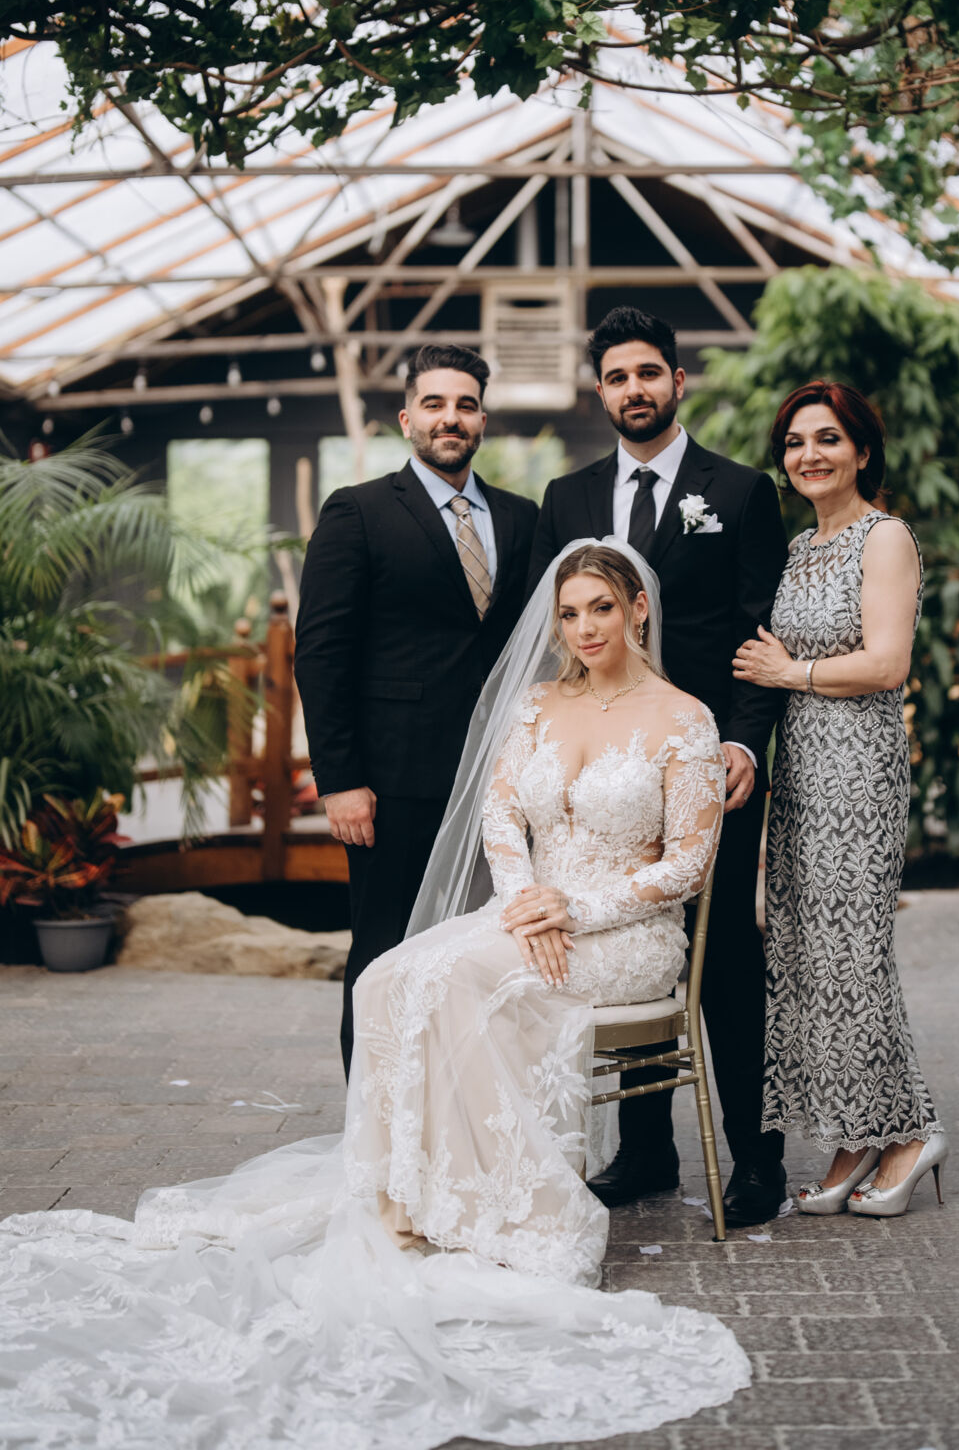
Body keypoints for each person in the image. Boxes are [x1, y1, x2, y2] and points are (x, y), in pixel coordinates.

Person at [0, 541, 751, 1445]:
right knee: (391, 976)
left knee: (457, 979)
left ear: (637, 608)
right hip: (529, 915)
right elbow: (500, 816)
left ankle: (511, 1211)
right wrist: (524, 899)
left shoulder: (684, 718)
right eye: (568, 613)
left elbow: (689, 865)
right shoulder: (538, 703)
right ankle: (408, 1195)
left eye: (600, 608)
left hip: (623, 934)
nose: (584, 629)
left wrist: (575, 907)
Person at [528, 306, 789, 1226]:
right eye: (616, 377)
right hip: (613, 771)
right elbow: (554, 636)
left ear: (678, 381)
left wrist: (744, 743)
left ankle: (756, 1156)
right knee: (629, 943)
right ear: (598, 391)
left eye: (647, 373)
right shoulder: (565, 498)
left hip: (713, 769)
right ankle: (645, 1153)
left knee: (727, 960)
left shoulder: (742, 492)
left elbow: (764, 633)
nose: (632, 390)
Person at [733, 381, 948, 1218]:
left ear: (862, 451)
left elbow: (888, 663)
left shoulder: (883, 537)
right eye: (794, 442)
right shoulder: (797, 548)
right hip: (800, 772)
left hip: (858, 772)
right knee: (811, 956)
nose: (809, 455)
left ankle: (911, 1133)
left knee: (855, 955)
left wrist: (791, 672)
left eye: (827, 438)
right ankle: (858, 1135)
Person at [295, 342, 537, 1074]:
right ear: (407, 419)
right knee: (383, 954)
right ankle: (374, 1119)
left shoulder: (523, 519)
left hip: (500, 782)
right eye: (434, 404)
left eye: (465, 405)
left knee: (484, 954)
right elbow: (321, 653)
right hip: (392, 784)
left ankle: (461, 1108)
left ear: (483, 420)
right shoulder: (359, 512)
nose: (450, 418)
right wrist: (340, 780)